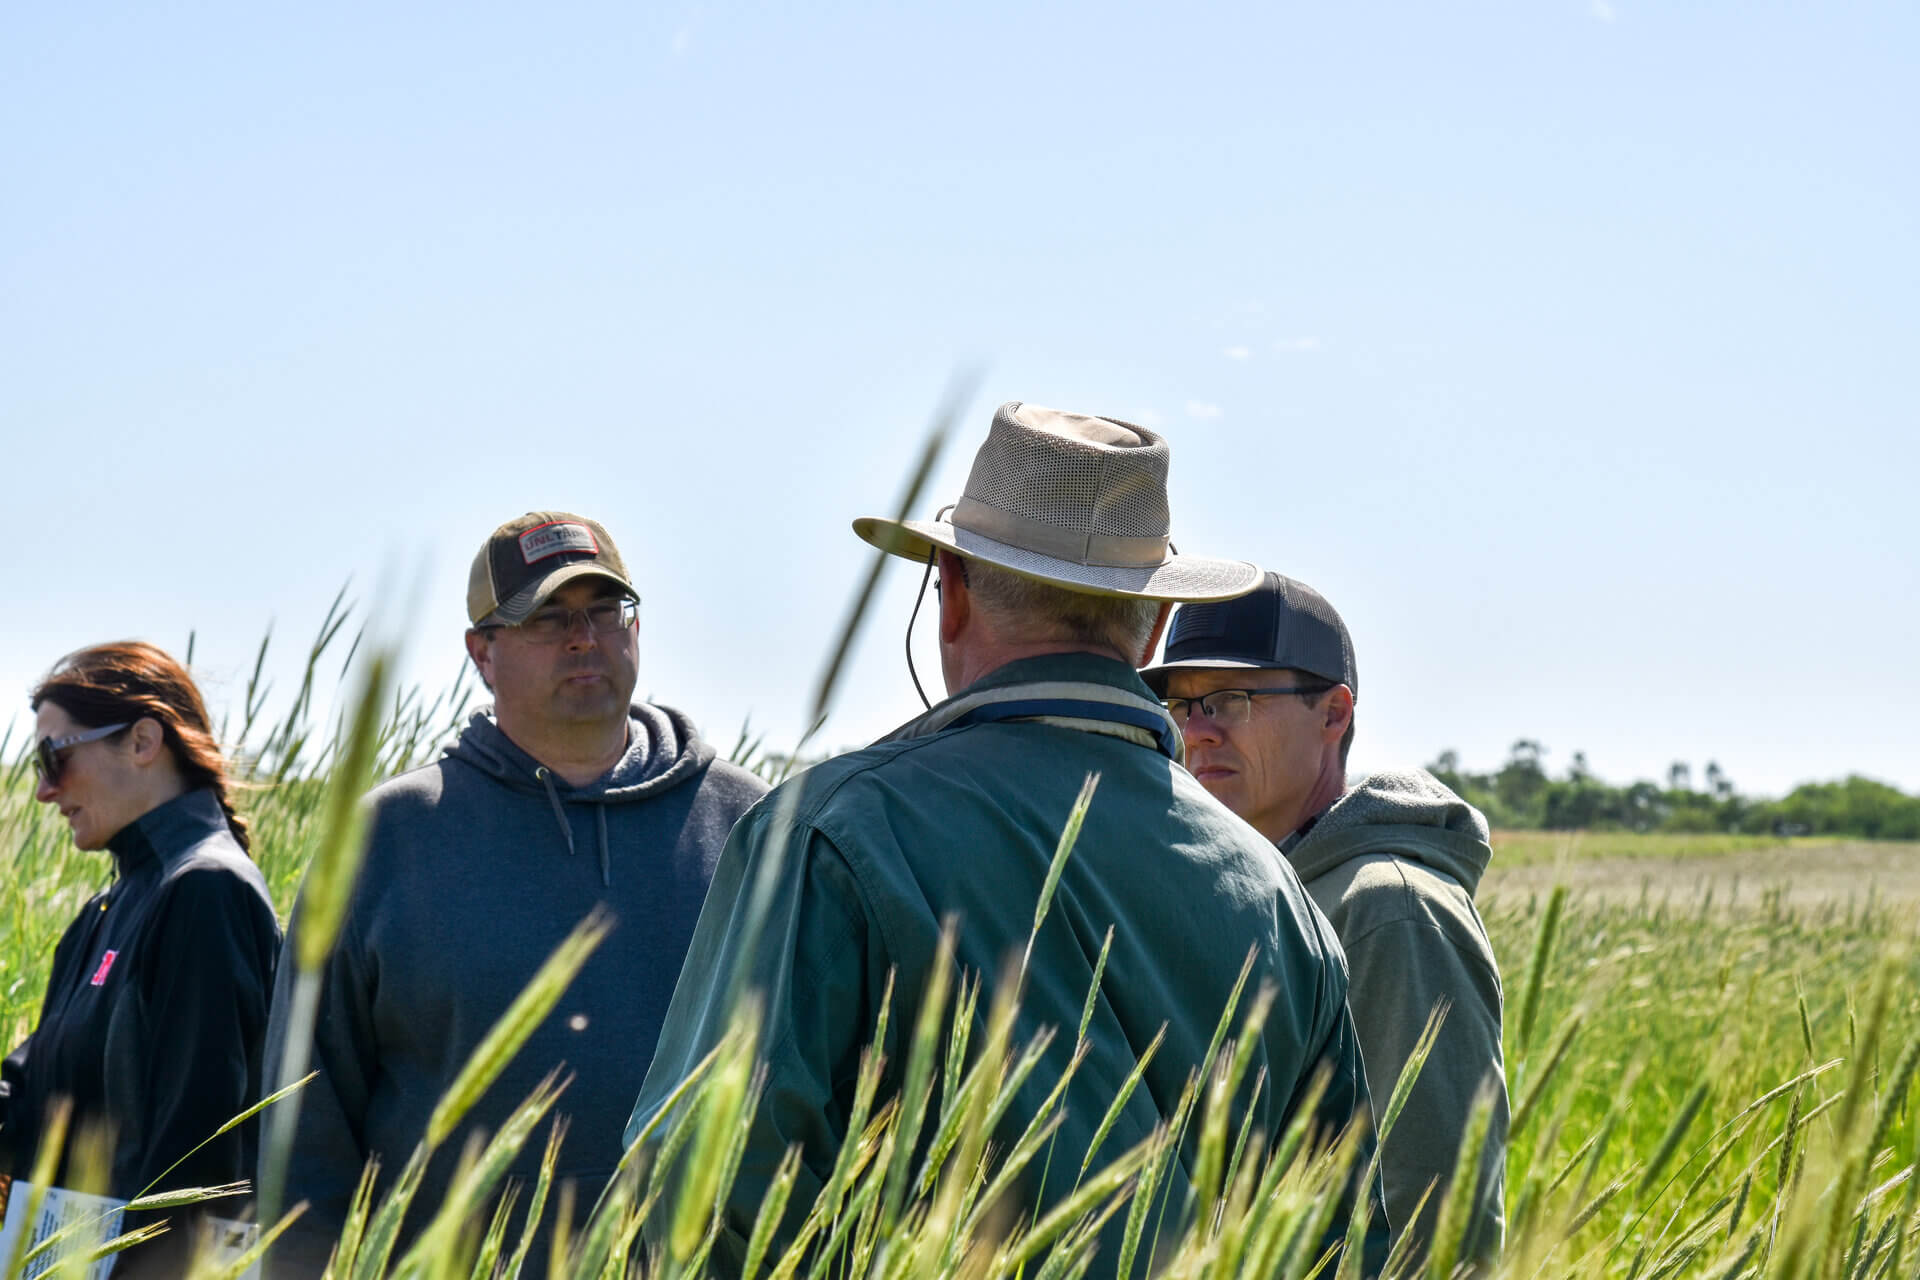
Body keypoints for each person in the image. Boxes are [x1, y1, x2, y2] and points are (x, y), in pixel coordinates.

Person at [627, 403, 1387, 1276]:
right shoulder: (1280, 893)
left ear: (948, 591)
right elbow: (1337, 1240)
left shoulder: (834, 828)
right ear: (1154, 625)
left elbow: (703, 1193)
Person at [261, 512, 767, 1278]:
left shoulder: (749, 824)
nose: (583, 637)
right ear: (481, 653)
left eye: (604, 610)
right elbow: (304, 1127)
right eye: (547, 618)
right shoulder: (385, 839)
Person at [1142, 572, 1507, 1266]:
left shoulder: (1391, 909)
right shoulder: (1252, 890)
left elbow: (1433, 1217)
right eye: (1181, 705)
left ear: (1333, 714)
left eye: (1231, 700)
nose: (1197, 732)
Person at [3, 641, 281, 1277]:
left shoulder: (206, 891)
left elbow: (197, 1168)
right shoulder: (104, 911)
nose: (44, 790)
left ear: (143, 741)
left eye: (55, 757)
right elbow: (29, 1102)